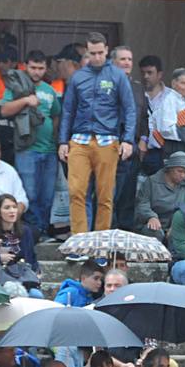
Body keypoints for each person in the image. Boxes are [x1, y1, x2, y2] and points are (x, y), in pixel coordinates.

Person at [59, 32, 136, 234]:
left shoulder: (117, 75)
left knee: (105, 196)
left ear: (107, 50)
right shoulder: (78, 76)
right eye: (92, 53)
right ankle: (79, 241)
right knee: (76, 192)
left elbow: (129, 109)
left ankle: (100, 243)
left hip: (107, 139)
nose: (97, 57)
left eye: (100, 52)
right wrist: (62, 141)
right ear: (87, 51)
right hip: (79, 139)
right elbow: (67, 110)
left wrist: (128, 140)